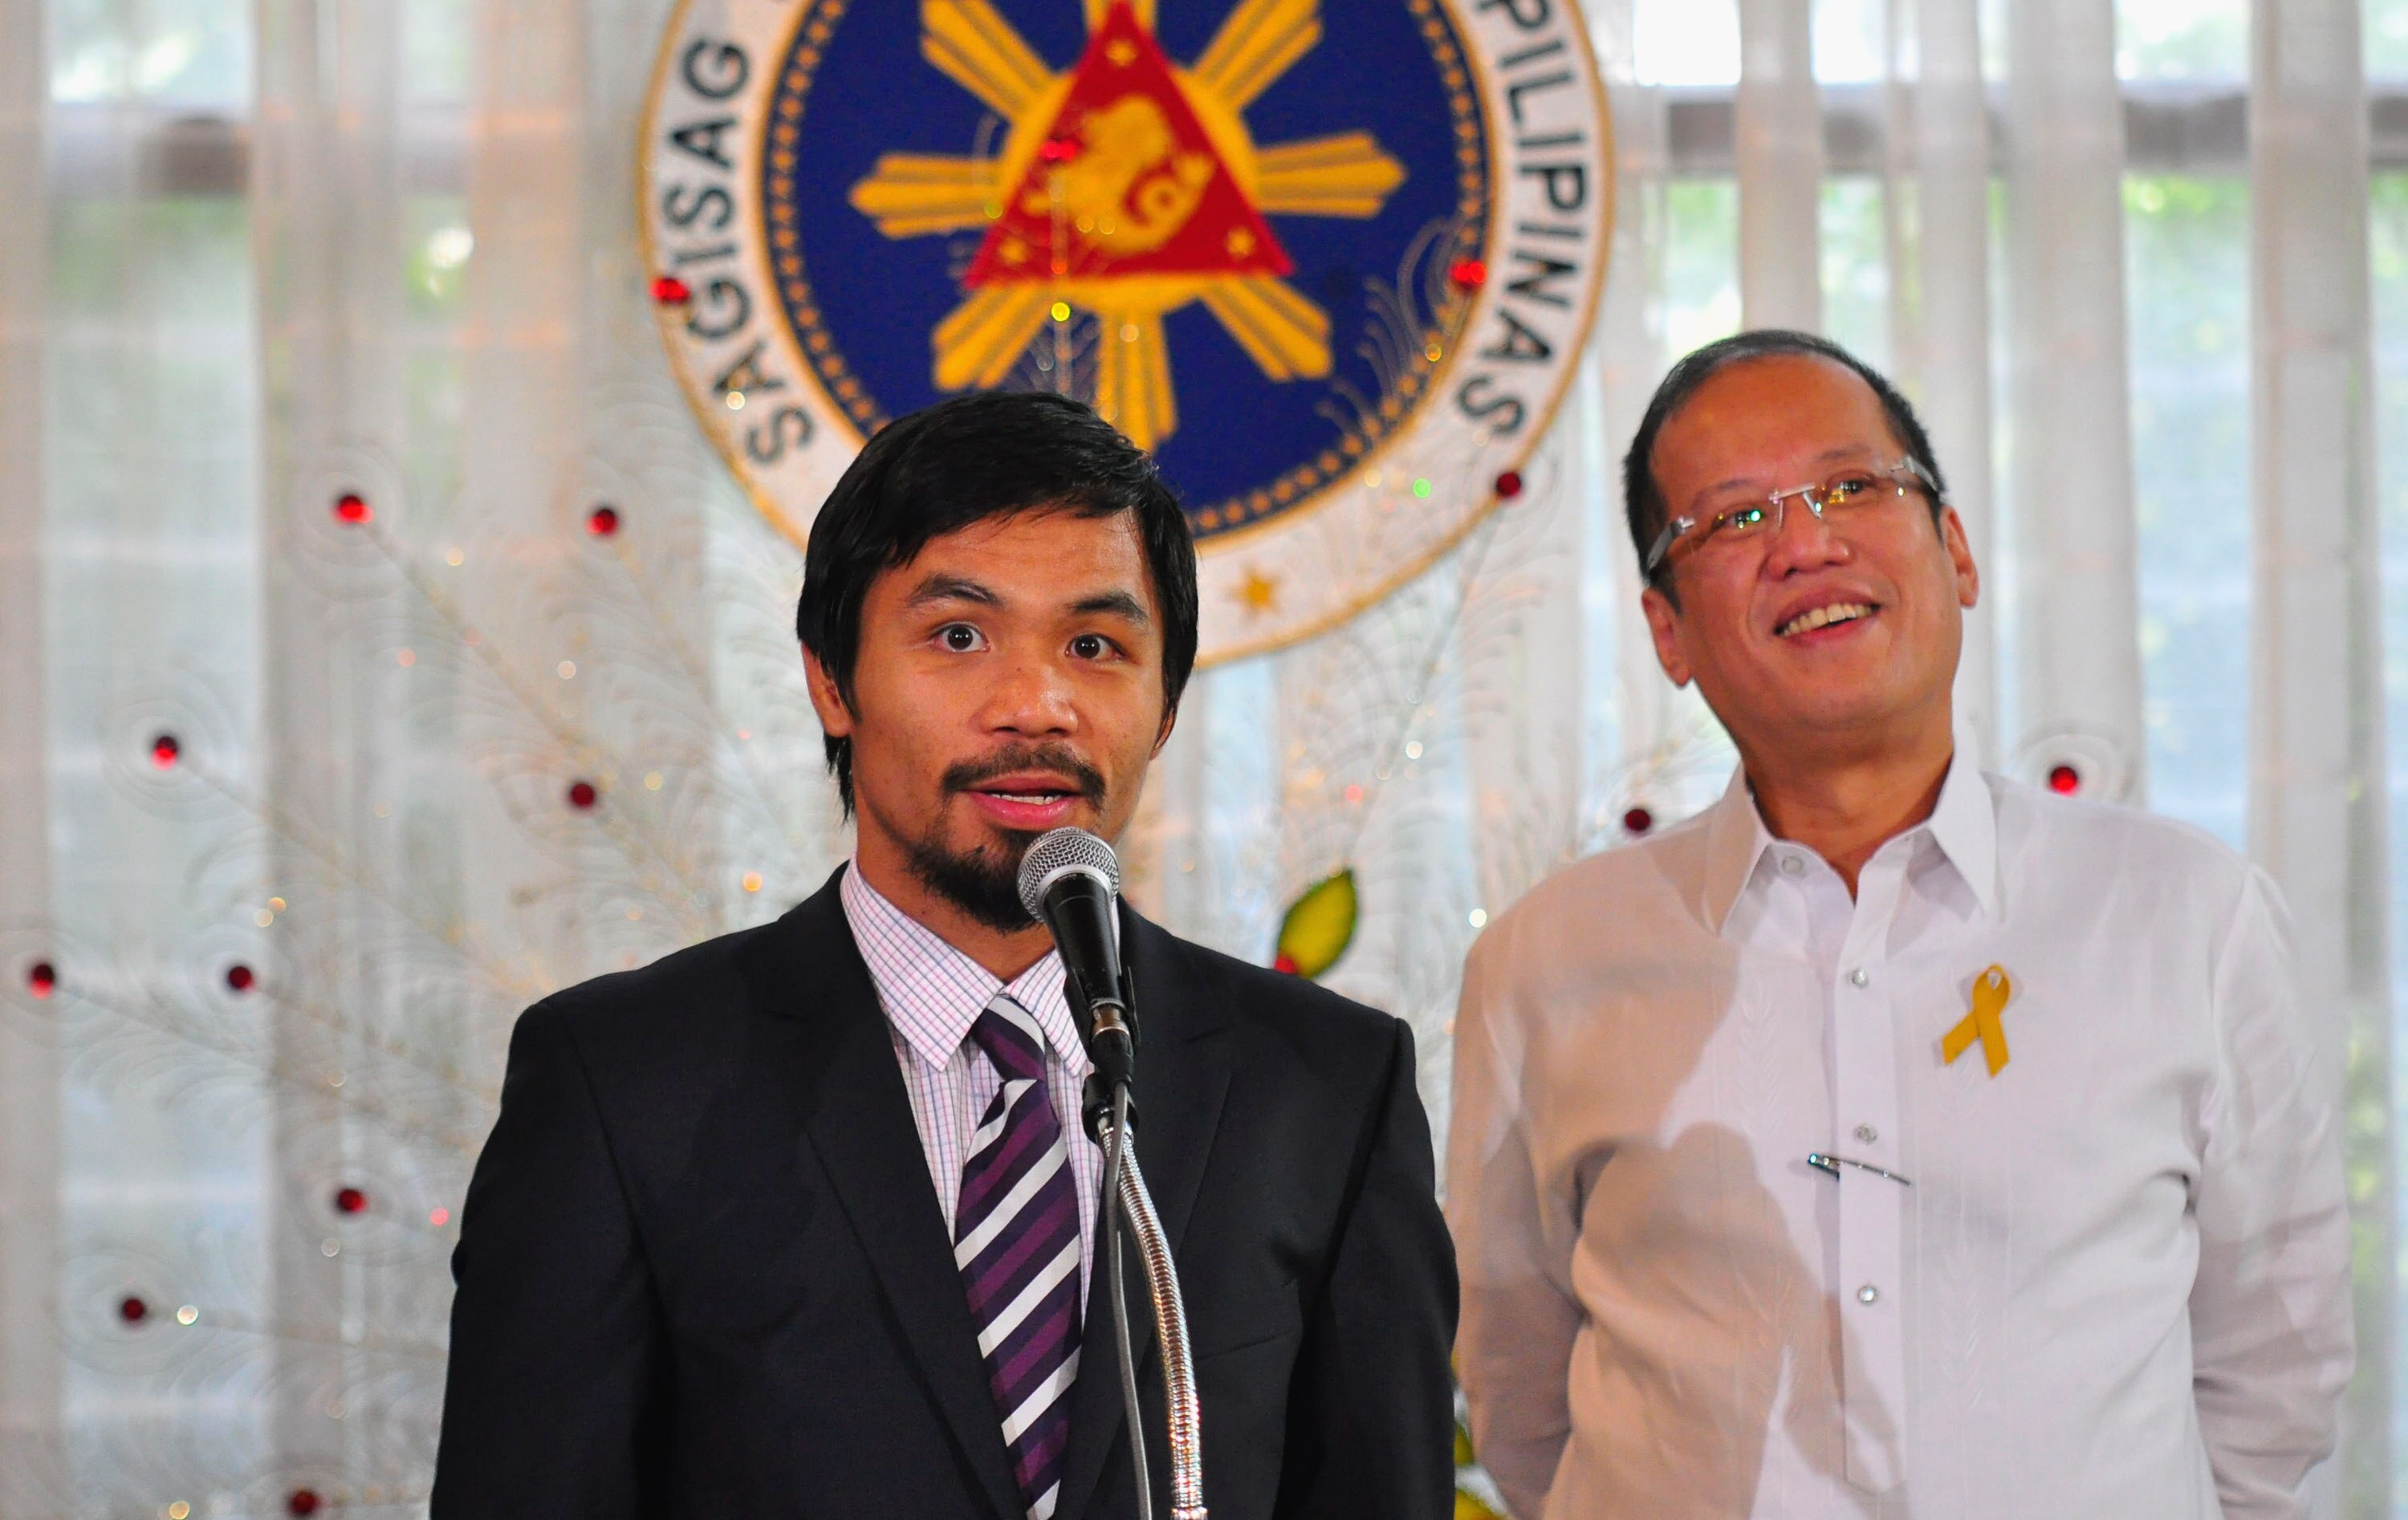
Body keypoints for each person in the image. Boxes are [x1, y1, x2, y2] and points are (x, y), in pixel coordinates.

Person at [431, 391, 1458, 1520]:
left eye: (1096, 644)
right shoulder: (623, 1082)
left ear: (1165, 703)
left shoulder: (1323, 1088)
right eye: (959, 634)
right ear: (833, 677)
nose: (1037, 704)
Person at [1447, 331, 2351, 1520]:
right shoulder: (1546, 959)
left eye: (1853, 486)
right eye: (1735, 519)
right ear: (1666, 630)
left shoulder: (2188, 915)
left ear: (1956, 548)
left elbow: (2274, 1367)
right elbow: (1516, 1386)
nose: (1808, 542)